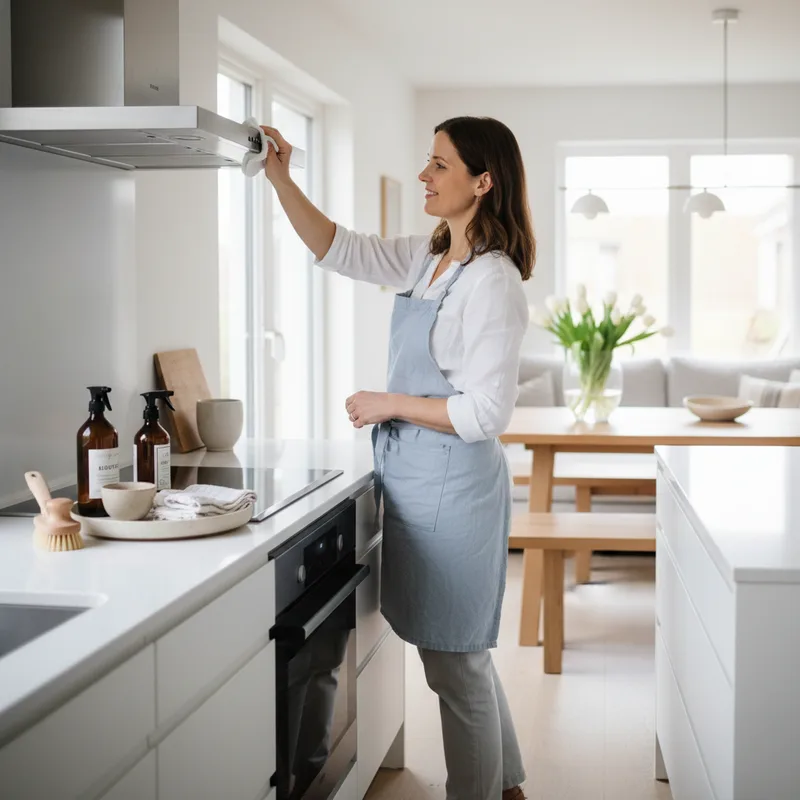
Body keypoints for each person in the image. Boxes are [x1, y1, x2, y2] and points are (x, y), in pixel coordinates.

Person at [261, 115, 535, 800]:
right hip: (415, 481)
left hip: (456, 492)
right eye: (429, 161)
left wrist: (390, 403)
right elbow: (339, 249)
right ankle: (507, 786)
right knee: (459, 654)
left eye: (440, 164)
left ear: (483, 181)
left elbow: (484, 414)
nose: (424, 174)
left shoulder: (492, 282)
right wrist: (278, 176)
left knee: (455, 662)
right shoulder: (430, 256)